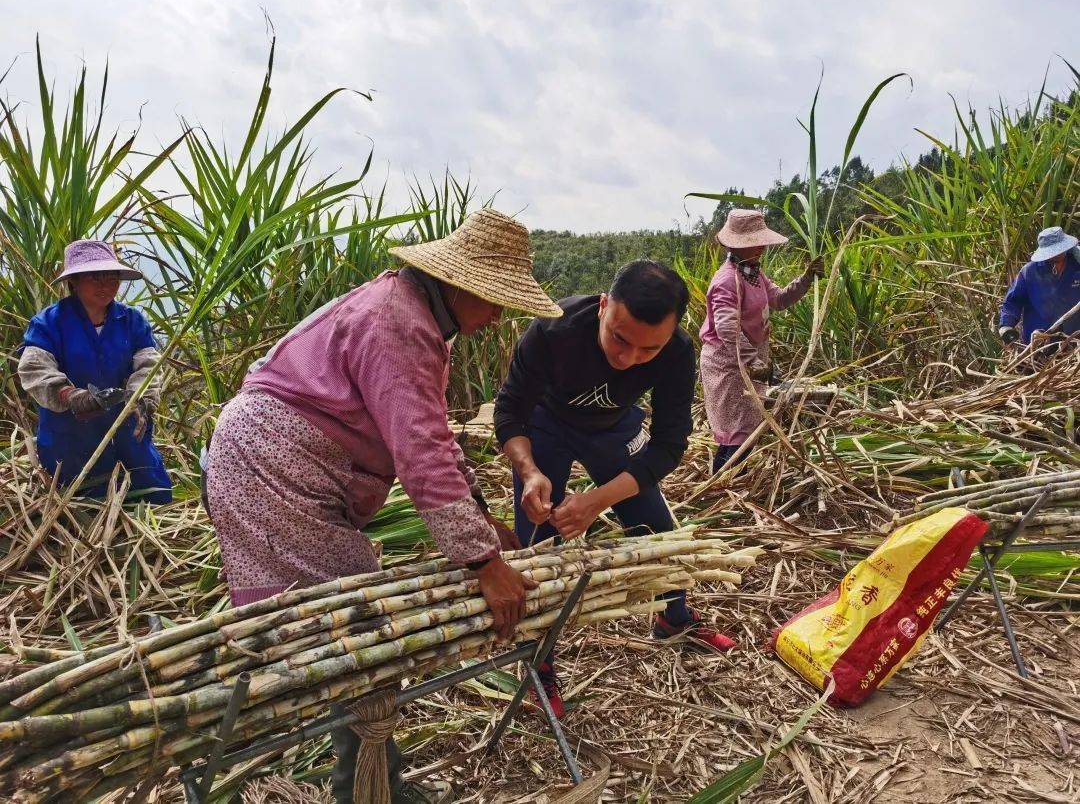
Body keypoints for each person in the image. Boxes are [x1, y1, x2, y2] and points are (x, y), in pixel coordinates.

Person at [204, 208, 560, 804]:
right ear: (461, 283)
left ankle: (376, 781)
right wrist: (485, 564)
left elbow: (431, 434)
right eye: (495, 299)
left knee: (343, 627)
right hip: (275, 469)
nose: (499, 315)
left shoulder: (408, 313)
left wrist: (482, 518)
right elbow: (420, 455)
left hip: (273, 459)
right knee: (354, 630)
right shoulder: (399, 326)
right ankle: (364, 789)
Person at [494, 259, 736, 719]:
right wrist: (529, 472)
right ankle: (538, 664)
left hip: (614, 426)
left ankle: (674, 619)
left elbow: (667, 445)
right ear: (604, 306)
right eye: (619, 339)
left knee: (657, 532)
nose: (627, 358)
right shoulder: (554, 329)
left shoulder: (678, 352)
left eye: (648, 350)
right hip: (548, 425)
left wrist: (595, 501)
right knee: (535, 546)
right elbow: (509, 412)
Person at [17, 240, 172, 503]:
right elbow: (34, 369)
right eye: (95, 277)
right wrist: (71, 396)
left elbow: (149, 365)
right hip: (69, 435)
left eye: (112, 277)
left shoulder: (132, 321)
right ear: (74, 281)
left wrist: (140, 399)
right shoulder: (49, 323)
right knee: (81, 502)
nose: (106, 285)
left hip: (125, 427)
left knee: (150, 492)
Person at [699, 209, 823, 474]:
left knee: (748, 425)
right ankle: (722, 483)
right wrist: (752, 360)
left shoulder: (753, 273)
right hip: (729, 364)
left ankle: (729, 481)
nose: (763, 246)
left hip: (751, 359)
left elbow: (778, 299)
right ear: (742, 245)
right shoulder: (727, 281)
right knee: (737, 430)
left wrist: (806, 279)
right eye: (758, 241)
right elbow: (727, 328)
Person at [998, 226, 1080, 350]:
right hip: (1039, 343)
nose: (1058, 253)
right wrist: (1006, 326)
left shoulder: (1076, 265)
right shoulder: (1030, 272)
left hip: (1073, 340)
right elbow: (1013, 302)